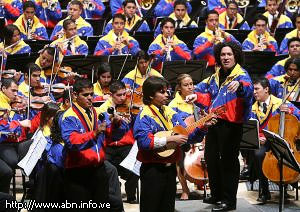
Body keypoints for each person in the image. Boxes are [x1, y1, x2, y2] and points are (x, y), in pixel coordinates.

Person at [134, 76, 213, 212]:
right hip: (152, 170)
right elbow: (144, 143)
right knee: (151, 208)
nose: (167, 95)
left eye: (167, 91)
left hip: (170, 171)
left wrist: (203, 127)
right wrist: (170, 140)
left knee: (168, 208)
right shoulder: (144, 115)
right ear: (151, 95)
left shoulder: (170, 112)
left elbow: (187, 136)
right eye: (162, 92)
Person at [192, 41, 253, 211]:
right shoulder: (216, 75)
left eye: (229, 54)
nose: (225, 57)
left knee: (228, 162)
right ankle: (217, 194)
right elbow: (204, 91)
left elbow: (248, 90)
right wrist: (194, 96)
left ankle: (229, 200)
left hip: (232, 124)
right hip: (214, 121)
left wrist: (240, 86)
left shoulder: (241, 75)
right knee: (211, 158)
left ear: (236, 56)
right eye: (223, 55)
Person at [60, 79, 120, 211]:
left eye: (91, 94)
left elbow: (110, 136)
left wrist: (117, 123)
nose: (90, 98)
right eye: (85, 95)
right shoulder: (69, 116)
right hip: (78, 172)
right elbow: (72, 142)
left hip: (98, 169)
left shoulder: (97, 112)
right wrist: (94, 133)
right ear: (75, 95)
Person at [250, 78, 300, 204]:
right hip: (266, 142)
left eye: (257, 89)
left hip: (284, 140)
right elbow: (251, 127)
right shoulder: (252, 108)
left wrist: (290, 111)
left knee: (285, 156)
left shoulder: (280, 103)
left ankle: (285, 187)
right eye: (253, 89)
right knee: (258, 154)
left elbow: (299, 114)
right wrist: (257, 137)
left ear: (266, 89)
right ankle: (264, 191)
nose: (254, 92)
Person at [96, 81, 139, 204]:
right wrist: (114, 122)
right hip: (108, 146)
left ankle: (131, 195)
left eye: (124, 94)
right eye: (119, 95)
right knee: (105, 168)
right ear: (111, 95)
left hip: (126, 145)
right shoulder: (104, 109)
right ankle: (114, 191)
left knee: (134, 167)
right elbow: (103, 129)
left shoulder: (130, 107)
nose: (122, 98)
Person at [168, 74, 207, 200]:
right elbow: (174, 126)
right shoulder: (173, 105)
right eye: (186, 85)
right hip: (183, 138)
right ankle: (185, 189)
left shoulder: (197, 100)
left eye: (191, 84)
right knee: (179, 156)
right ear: (179, 88)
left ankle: (205, 181)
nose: (190, 87)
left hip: (199, 136)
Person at [193, 10, 239, 75]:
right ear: (206, 21)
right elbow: (196, 54)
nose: (214, 23)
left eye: (216, 20)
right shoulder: (200, 37)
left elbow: (239, 48)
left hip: (226, 67)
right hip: (209, 69)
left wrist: (226, 39)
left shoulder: (225, 34)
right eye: (211, 20)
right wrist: (210, 43)